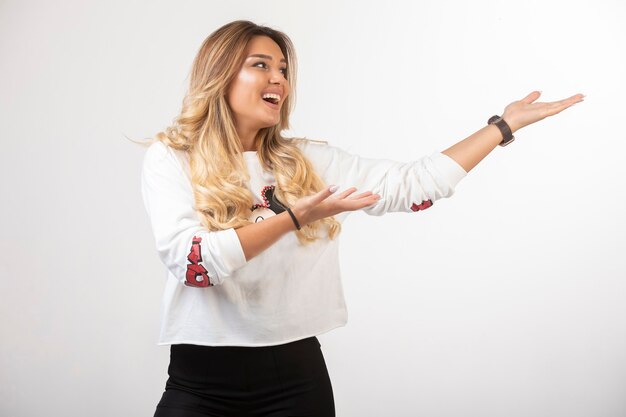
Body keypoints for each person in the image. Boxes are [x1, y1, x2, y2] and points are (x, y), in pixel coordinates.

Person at [141, 19, 584, 417]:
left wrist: (501, 128)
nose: (279, 78)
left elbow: (415, 187)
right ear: (220, 75)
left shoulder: (307, 161)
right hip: (201, 382)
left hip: (294, 381)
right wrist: (294, 217)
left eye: (283, 69)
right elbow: (194, 264)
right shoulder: (173, 159)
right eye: (261, 65)